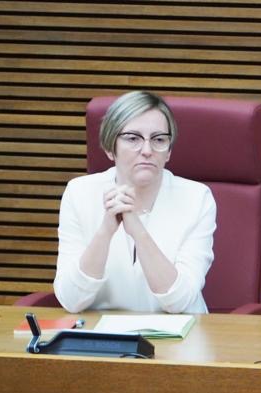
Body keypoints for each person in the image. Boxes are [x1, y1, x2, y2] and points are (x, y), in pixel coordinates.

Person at [54, 90, 215, 313]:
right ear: (110, 148)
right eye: (133, 138)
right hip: (102, 340)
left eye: (159, 139)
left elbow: (180, 302)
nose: (147, 150)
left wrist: (138, 232)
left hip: (180, 338)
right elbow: (71, 300)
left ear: (168, 151)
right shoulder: (79, 193)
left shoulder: (197, 198)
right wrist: (105, 231)